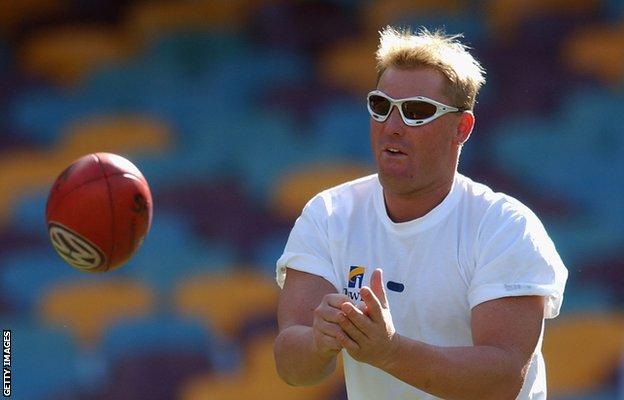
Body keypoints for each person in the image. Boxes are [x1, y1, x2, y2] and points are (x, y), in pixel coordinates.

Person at [273, 26, 568, 400]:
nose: (392, 126)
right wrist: (319, 340)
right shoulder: (329, 213)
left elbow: (503, 379)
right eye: (381, 106)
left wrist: (389, 350)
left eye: (416, 112)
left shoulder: (505, 227)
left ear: (462, 128)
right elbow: (291, 366)